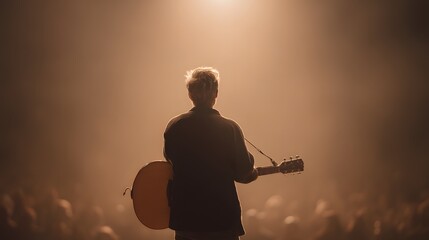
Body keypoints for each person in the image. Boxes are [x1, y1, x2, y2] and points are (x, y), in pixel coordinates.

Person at [164, 67, 258, 240]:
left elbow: (169, 165)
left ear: (190, 94)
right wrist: (251, 167)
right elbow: (244, 173)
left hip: (186, 221)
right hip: (221, 222)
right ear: (216, 93)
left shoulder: (174, 126)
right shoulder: (229, 128)